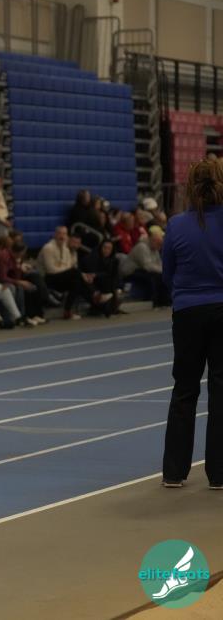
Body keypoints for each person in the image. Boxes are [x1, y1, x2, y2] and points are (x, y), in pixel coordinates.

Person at [160, 156, 223, 490]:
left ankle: (174, 472)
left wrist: (183, 296)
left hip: (187, 312)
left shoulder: (176, 224)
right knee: (221, 390)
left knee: (184, 389)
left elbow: (167, 272)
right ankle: (220, 473)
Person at [37, 226, 92, 320]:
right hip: (47, 278)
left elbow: (69, 266)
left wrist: (71, 271)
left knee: (76, 281)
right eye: (59, 233)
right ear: (55, 235)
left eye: (64, 234)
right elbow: (51, 270)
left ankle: (68, 311)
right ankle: (93, 296)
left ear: (67, 236)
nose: (62, 236)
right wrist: (69, 271)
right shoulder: (48, 248)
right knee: (75, 274)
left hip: (60, 278)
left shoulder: (65, 249)